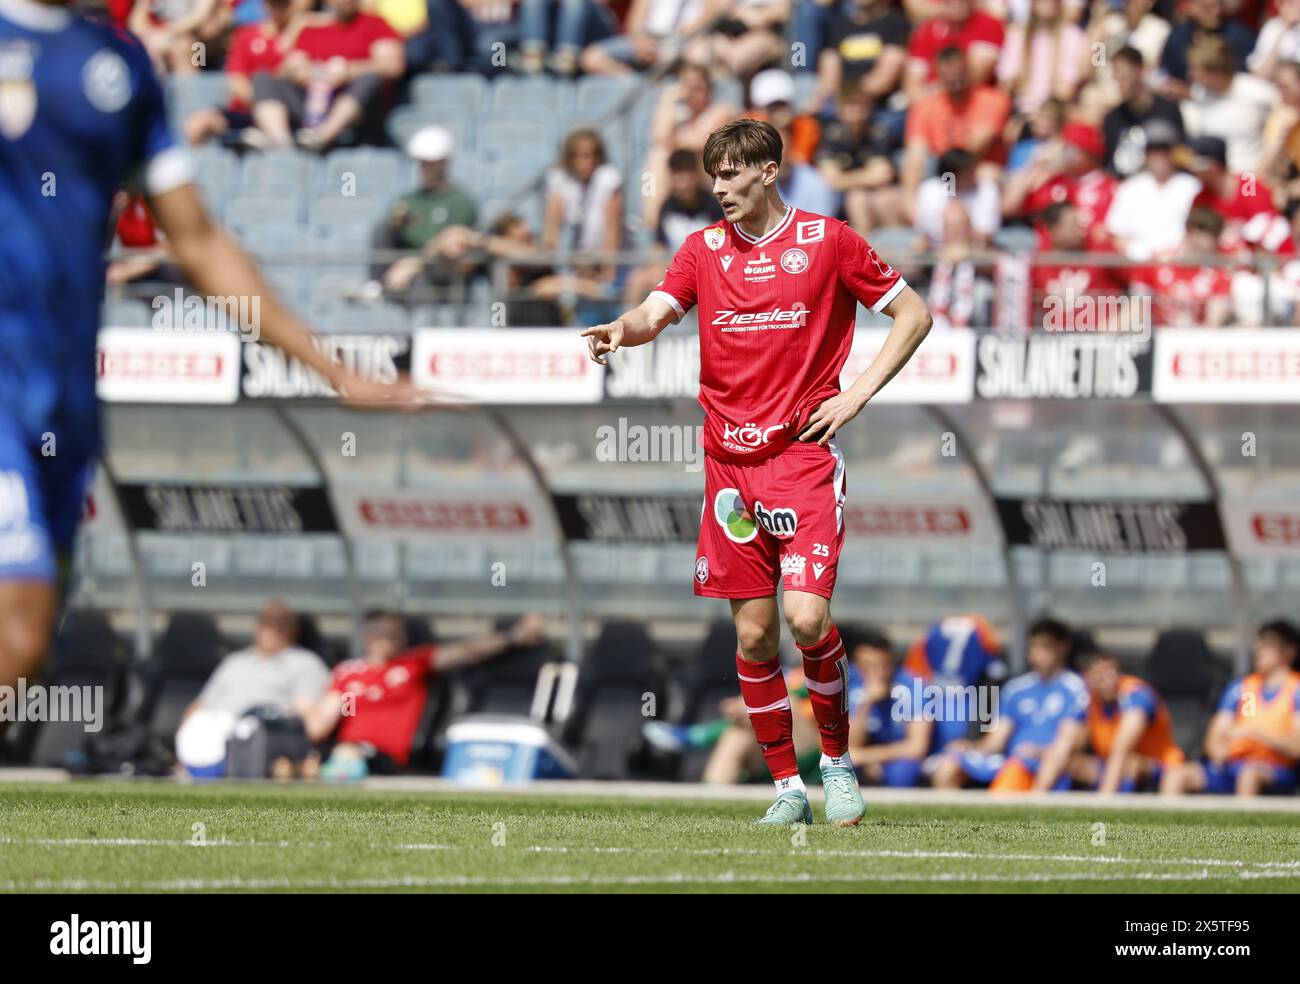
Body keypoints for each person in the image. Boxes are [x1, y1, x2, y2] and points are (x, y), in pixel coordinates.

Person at [0, 0, 415, 696]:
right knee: (19, 630)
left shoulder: (118, 66)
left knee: (27, 647)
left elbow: (197, 241)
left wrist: (330, 368)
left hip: (66, 394)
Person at [581, 118, 933, 826]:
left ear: (768, 172)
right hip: (729, 468)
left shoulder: (827, 240)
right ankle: (786, 789)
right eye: (713, 176)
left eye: (732, 174)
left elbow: (913, 313)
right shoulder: (702, 249)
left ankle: (835, 763)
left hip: (800, 458)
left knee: (807, 617)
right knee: (753, 636)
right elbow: (657, 310)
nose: (719, 188)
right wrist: (623, 327)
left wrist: (855, 393)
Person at [308, 612, 546, 778]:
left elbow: (466, 652)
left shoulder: (413, 665)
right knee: (306, 757)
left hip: (384, 755)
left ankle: (336, 768)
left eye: (402, 634)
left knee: (348, 753)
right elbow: (323, 719)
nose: (401, 640)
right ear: (372, 639)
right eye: (392, 635)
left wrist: (512, 637)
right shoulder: (348, 673)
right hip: (343, 749)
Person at [931, 617, 1089, 792]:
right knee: (948, 765)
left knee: (1039, 763)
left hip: (1048, 761)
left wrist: (1039, 751)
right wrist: (970, 746)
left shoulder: (1075, 688)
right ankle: (954, 819)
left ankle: (1034, 806)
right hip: (1012, 759)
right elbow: (997, 739)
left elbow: (1070, 740)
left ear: (1062, 648)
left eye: (1045, 647)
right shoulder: (1016, 688)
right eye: (1034, 646)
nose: (1037, 653)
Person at [178, 601, 331, 778]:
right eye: (267, 622)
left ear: (293, 629)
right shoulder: (234, 662)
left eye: (281, 623)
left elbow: (306, 718)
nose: (272, 629)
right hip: (212, 727)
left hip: (257, 731)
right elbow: (198, 706)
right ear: (257, 626)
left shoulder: (305, 663)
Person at [1165, 620, 1300, 796]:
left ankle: (1246, 823)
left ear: (1290, 651)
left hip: (1274, 769)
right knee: (1177, 774)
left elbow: (1295, 746)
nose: (1258, 649)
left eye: (1267, 644)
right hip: (1233, 765)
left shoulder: (1295, 689)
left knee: (1248, 775)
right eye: (1258, 643)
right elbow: (1218, 734)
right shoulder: (1247, 689)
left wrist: (1255, 733)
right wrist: (1220, 752)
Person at [248, 0, 404, 151]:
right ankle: (282, 145)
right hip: (311, 101)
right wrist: (298, 71)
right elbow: (285, 68)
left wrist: (349, 71)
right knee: (263, 78)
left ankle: (321, 138)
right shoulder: (314, 27)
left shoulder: (375, 24)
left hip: (353, 108)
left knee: (369, 79)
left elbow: (392, 65)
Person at [366, 126, 479, 302]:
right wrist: (396, 225)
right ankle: (376, 287)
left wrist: (414, 262)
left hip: (442, 270)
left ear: (444, 162)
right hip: (407, 268)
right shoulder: (409, 199)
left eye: (430, 162)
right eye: (421, 162)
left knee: (422, 277)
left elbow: (453, 241)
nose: (424, 168)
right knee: (382, 228)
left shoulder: (461, 201)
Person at [1072, 648, 1185, 794]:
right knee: (1072, 763)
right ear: (1087, 679)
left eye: (1110, 671)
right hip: (1109, 763)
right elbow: (1076, 739)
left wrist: (1104, 798)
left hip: (1158, 765)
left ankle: (1114, 806)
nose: (1108, 680)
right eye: (1099, 675)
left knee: (1130, 764)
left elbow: (1121, 749)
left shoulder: (1136, 694)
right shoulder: (1088, 700)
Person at [1104, 118, 1202, 260]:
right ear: (1145, 153)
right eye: (1153, 149)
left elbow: (1199, 232)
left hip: (1181, 266)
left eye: (1164, 149)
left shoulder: (1192, 187)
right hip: (1138, 267)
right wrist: (1144, 256)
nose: (1159, 155)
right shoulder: (1129, 188)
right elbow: (1117, 234)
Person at [847, 629, 933, 787]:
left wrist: (869, 757)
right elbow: (849, 745)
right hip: (868, 755)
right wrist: (867, 704)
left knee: (903, 771)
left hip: (897, 757)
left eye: (883, 666)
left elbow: (916, 747)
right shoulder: (850, 682)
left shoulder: (914, 687)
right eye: (867, 666)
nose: (877, 673)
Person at [1102, 46, 1185, 179]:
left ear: (1140, 70)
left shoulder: (1167, 110)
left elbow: (1180, 154)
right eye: (1116, 78)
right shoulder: (1112, 118)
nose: (1120, 84)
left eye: (1124, 76)